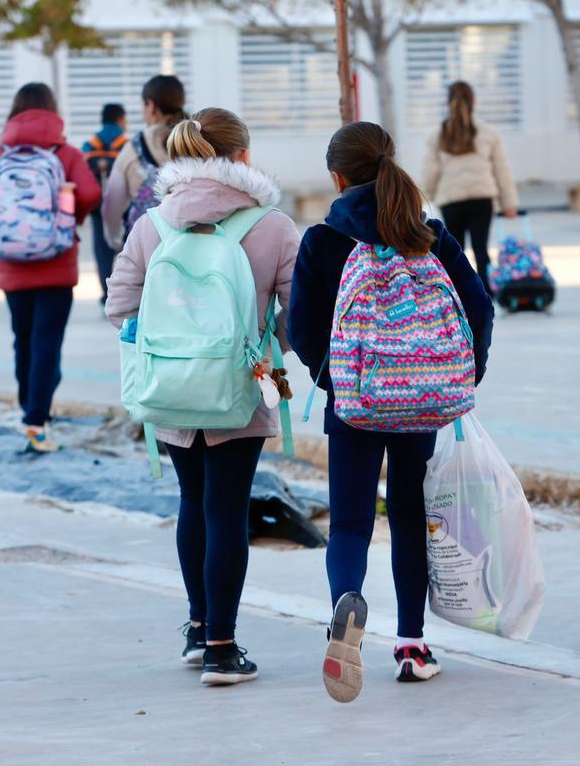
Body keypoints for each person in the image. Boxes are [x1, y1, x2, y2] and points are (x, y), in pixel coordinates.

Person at [288, 121, 493, 702]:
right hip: (423, 398)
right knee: (408, 516)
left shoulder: (324, 239)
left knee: (350, 521)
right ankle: (410, 644)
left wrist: (334, 379)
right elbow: (478, 307)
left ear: (337, 177)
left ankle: (346, 609)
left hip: (354, 403)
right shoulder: (428, 233)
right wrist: (458, 372)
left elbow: (301, 327)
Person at [105, 108, 300, 686]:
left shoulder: (153, 223)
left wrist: (172, 339)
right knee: (227, 510)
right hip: (241, 388)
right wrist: (271, 354)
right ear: (242, 156)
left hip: (169, 389)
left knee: (193, 501)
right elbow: (300, 317)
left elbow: (119, 307)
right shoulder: (272, 224)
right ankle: (222, 647)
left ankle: (197, 630)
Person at [0, 83, 100, 453]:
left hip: (11, 264)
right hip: (57, 263)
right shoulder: (66, 153)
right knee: (47, 343)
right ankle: (36, 419)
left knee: (22, 339)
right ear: (53, 112)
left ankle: (30, 411)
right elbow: (89, 193)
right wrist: (69, 219)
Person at [420, 81, 520, 294]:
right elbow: (502, 170)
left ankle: (459, 293)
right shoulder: (488, 133)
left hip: (451, 200)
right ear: (474, 101)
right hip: (481, 200)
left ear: (448, 103)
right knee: (481, 249)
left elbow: (430, 172)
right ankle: (485, 293)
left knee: (456, 252)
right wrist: (509, 204)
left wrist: (422, 200)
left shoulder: (438, 135)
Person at [101, 75, 185, 253]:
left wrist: (114, 239)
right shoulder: (198, 139)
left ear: (151, 105)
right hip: (193, 248)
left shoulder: (134, 148)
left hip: (146, 253)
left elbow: (112, 205)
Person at [82, 103, 129, 304]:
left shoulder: (90, 144)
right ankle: (126, 292)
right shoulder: (127, 143)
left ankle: (106, 295)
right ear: (120, 119)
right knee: (129, 248)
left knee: (102, 249)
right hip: (125, 204)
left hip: (98, 205)